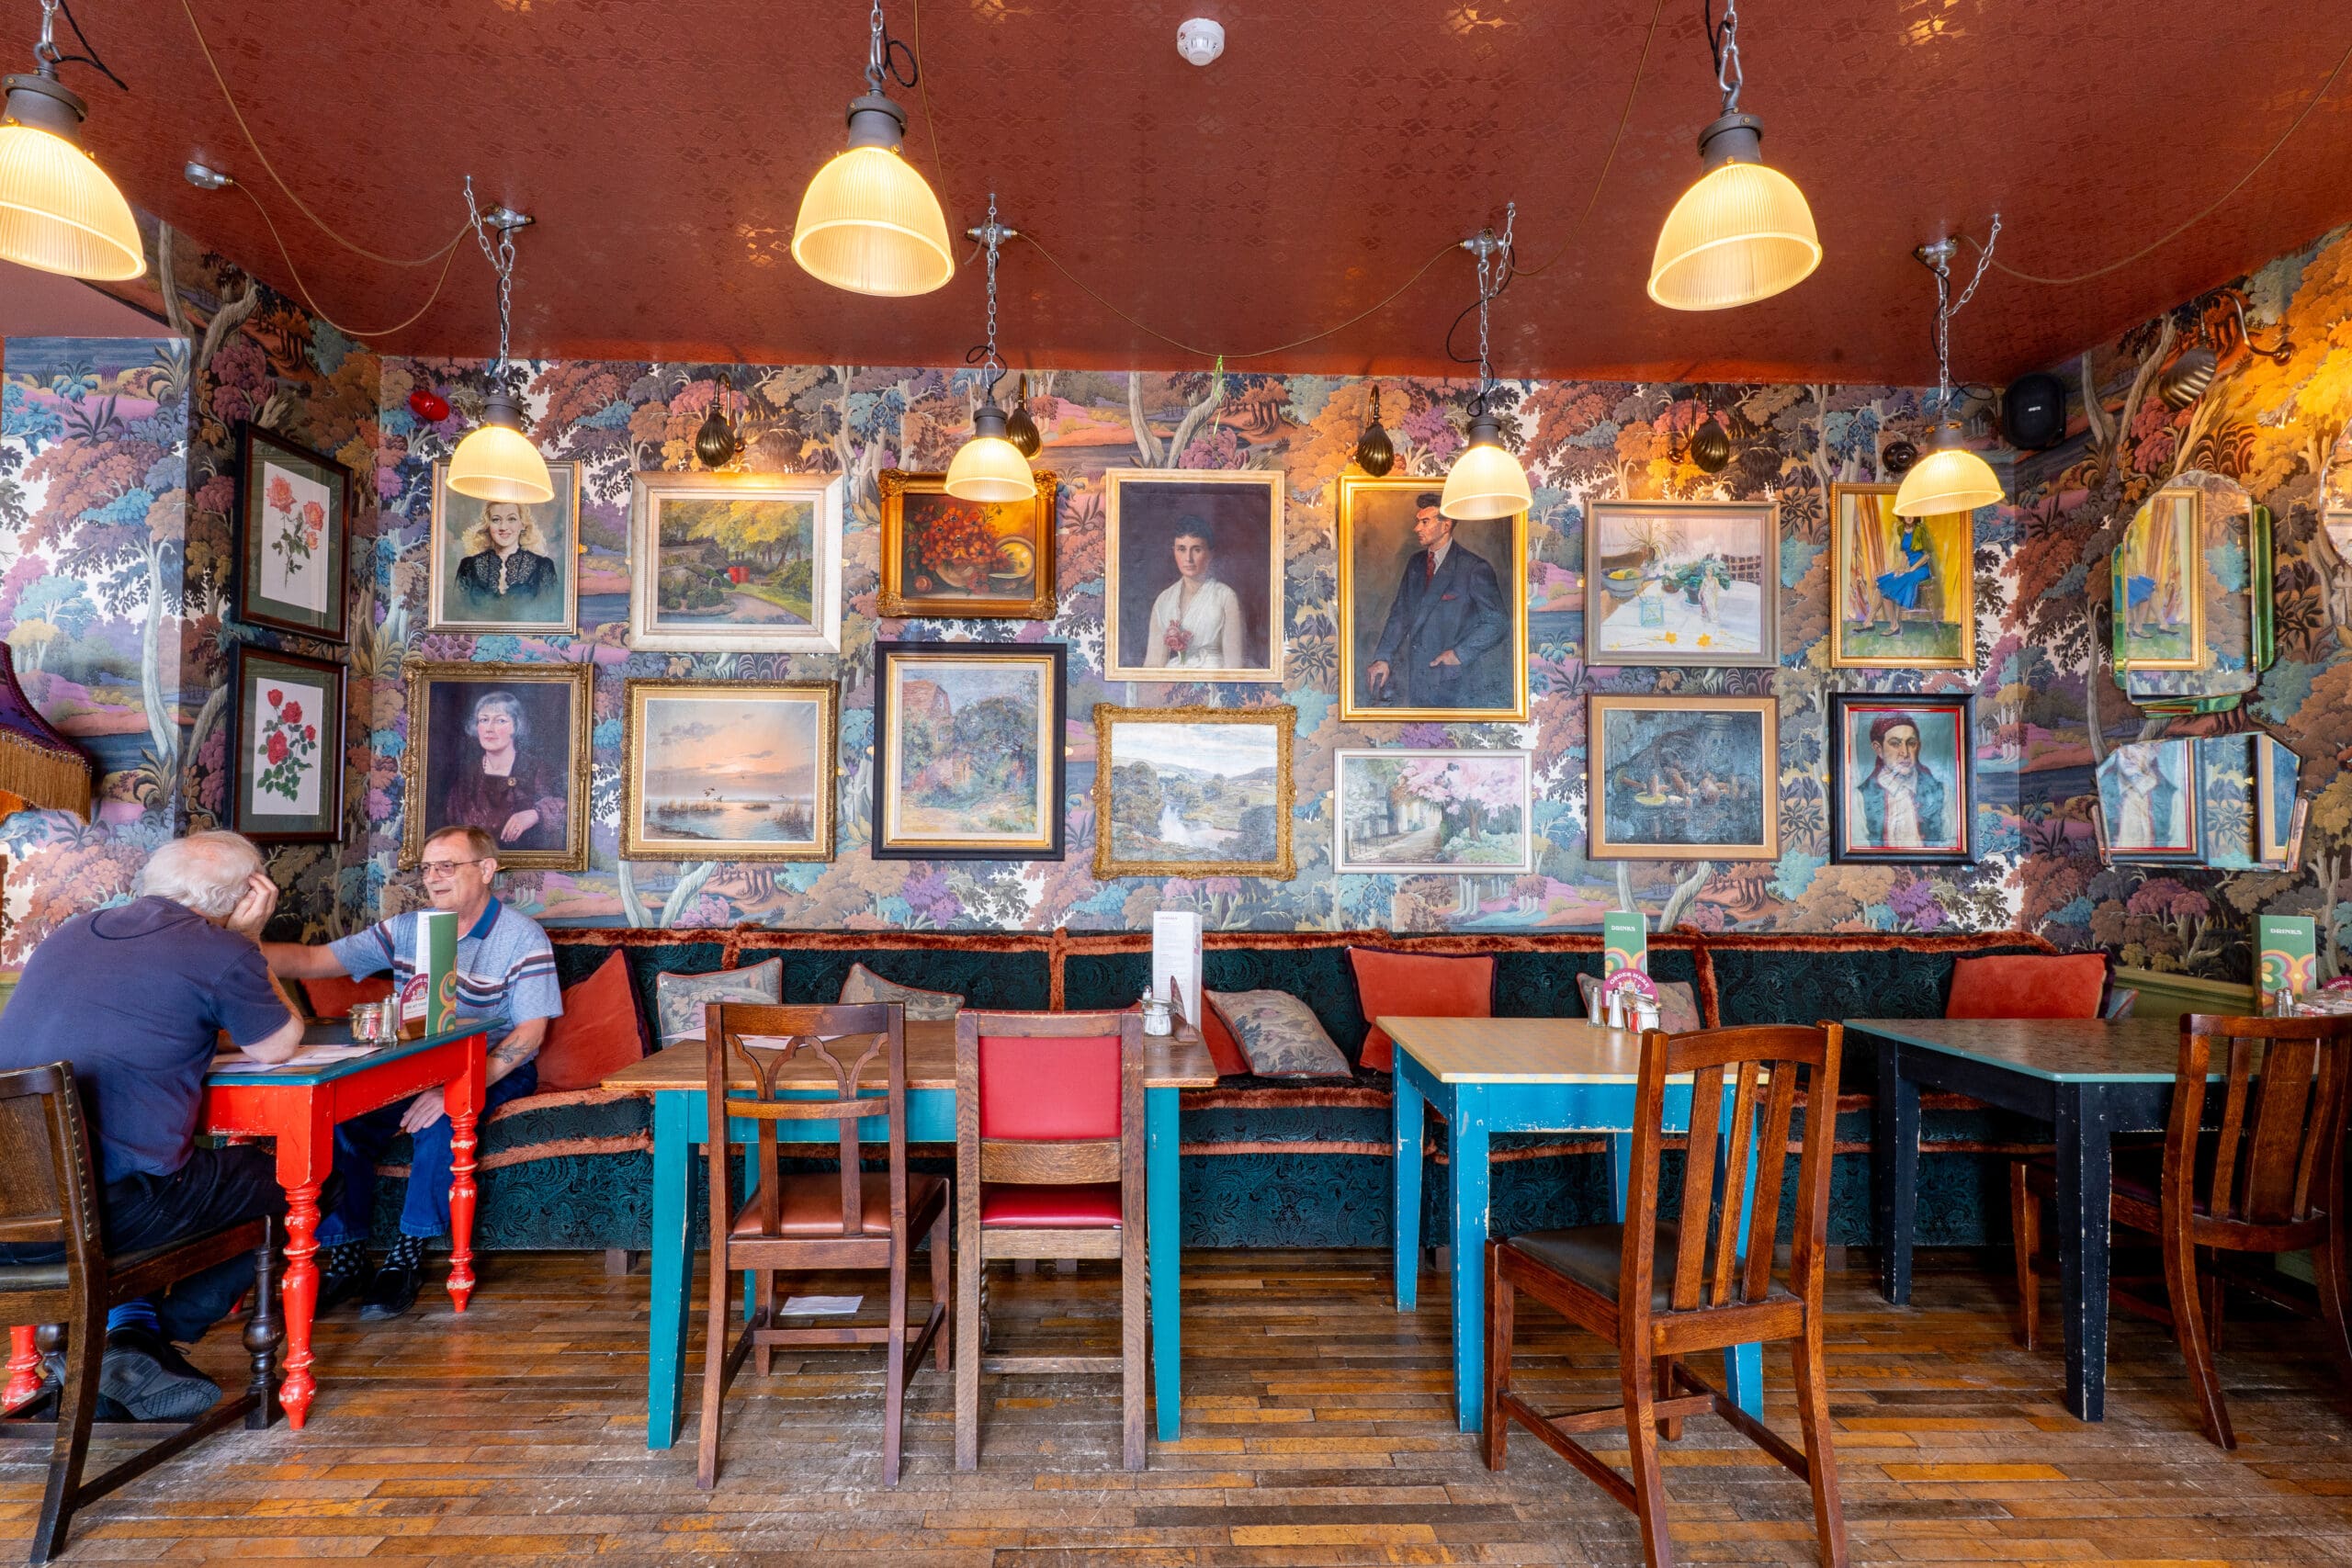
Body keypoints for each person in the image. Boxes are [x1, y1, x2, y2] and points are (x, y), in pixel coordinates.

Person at [0, 832, 303, 1419]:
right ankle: (146, 1339)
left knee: (155, 1164)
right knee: (300, 1182)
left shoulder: (70, 932)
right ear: (246, 894)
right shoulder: (221, 950)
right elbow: (278, 1046)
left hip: (12, 1217)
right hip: (107, 1213)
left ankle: (127, 1343)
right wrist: (249, 940)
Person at [264, 826, 560, 1319]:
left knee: (443, 1122)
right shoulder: (407, 929)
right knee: (338, 1119)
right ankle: (347, 1254)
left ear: (486, 870)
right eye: (426, 867)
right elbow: (315, 960)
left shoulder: (521, 936)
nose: (433, 877)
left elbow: (528, 1036)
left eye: (448, 866)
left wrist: (453, 1090)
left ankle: (406, 1254)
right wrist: (235, 949)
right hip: (412, 1063)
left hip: (489, 1064)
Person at [1365, 492, 1508, 709]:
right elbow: (1400, 615)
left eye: (1425, 522)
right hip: (1416, 679)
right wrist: (1383, 658)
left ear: (1446, 525)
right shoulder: (1415, 563)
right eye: (1417, 522)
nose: (1417, 529)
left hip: (1455, 682)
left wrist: (1460, 654)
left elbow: (1497, 622)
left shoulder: (1474, 568)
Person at [437, 688, 565, 852]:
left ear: (516, 726)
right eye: (484, 720)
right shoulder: (466, 778)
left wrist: (536, 814)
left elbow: (568, 812)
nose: (489, 728)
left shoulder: (537, 769)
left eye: (500, 721)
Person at [1142, 516, 1250, 671]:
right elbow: (1153, 663)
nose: (1188, 558)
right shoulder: (1163, 600)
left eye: (1197, 549)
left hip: (1215, 678)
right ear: (1174, 551)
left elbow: (1234, 665)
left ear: (1210, 554)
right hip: (1173, 680)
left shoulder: (1225, 597)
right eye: (1181, 549)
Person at [452, 499, 560, 621]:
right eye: (496, 520)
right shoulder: (468, 566)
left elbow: (551, 616)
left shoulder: (544, 566)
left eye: (511, 519)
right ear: (488, 525)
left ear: (523, 524)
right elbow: (457, 613)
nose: (503, 527)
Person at [1854, 713, 1949, 851]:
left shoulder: (1940, 791)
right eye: (1895, 744)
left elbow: (1950, 845)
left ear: (1918, 746)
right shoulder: (1860, 797)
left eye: (1911, 743)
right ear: (1878, 749)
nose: (1904, 753)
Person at [1871, 517, 1937, 637]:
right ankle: (1893, 624)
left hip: (1921, 569)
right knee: (1884, 584)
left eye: (1912, 513)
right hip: (1909, 569)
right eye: (1906, 513)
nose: (1909, 516)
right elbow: (1905, 554)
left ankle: (1893, 626)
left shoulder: (1921, 529)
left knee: (1889, 587)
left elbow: (1927, 555)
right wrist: (1900, 568)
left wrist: (1912, 569)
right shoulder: (1901, 529)